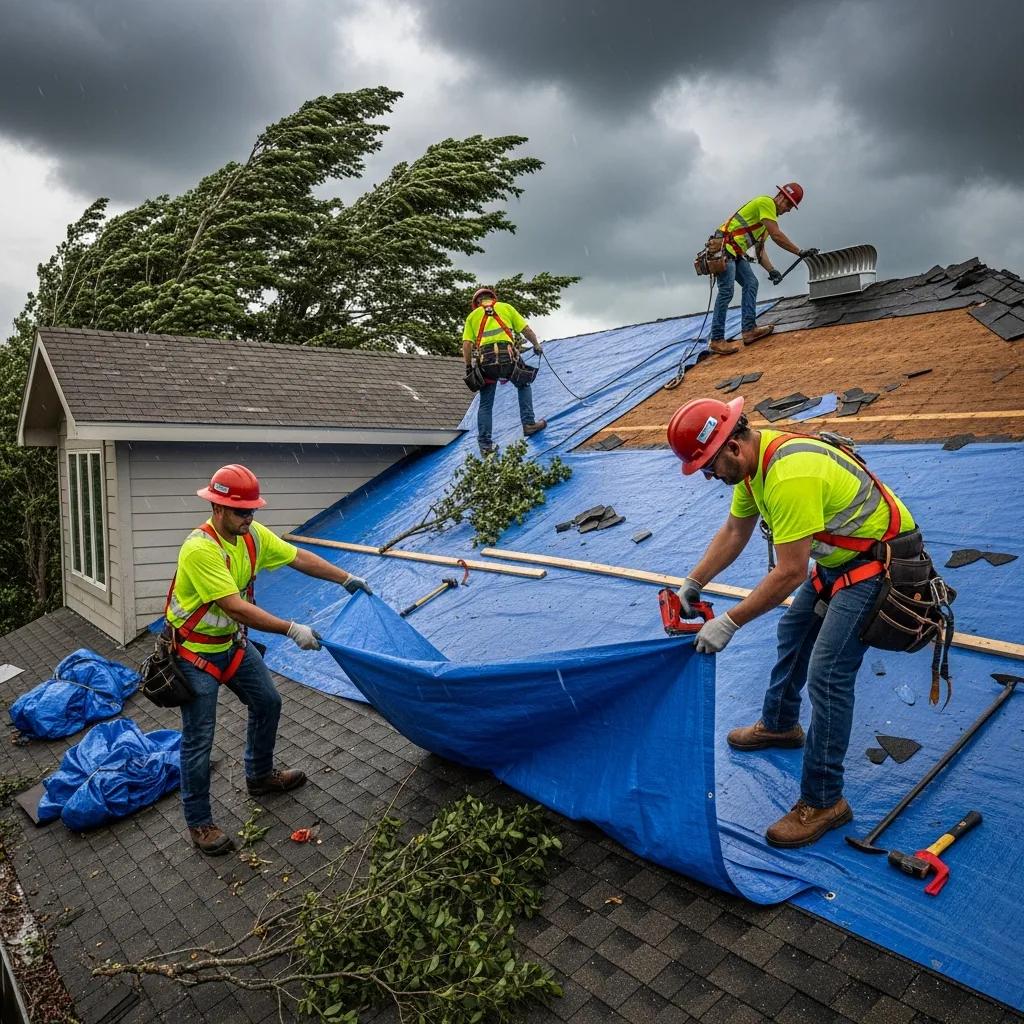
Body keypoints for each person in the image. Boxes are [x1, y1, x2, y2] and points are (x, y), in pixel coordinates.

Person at [667, 397, 923, 848]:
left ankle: (825, 801)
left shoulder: (789, 476)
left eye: (709, 466)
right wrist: (694, 580)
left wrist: (729, 621)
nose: (710, 477)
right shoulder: (753, 465)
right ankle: (782, 724)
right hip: (840, 562)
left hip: (876, 568)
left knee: (828, 675)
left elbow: (788, 572)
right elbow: (734, 531)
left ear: (732, 447)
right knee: (794, 629)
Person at [167, 464, 373, 855]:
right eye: (242, 512)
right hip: (195, 654)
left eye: (253, 511)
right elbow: (235, 608)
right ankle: (199, 823)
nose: (250, 518)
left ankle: (259, 776)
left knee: (268, 702)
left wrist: (344, 578)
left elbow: (298, 557)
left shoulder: (250, 536)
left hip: (231, 645)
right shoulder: (200, 549)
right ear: (218, 508)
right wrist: (292, 629)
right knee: (199, 739)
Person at [707, 183, 818, 357]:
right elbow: (777, 236)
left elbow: (759, 251)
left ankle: (749, 330)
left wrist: (771, 270)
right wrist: (799, 251)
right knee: (727, 291)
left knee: (751, 283)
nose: (788, 210)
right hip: (723, 250)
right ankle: (716, 339)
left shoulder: (767, 219)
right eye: (788, 204)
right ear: (780, 197)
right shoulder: (766, 203)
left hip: (734, 253)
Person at [462, 287, 547, 455]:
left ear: (477, 302)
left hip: (486, 362)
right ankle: (529, 424)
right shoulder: (505, 308)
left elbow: (467, 344)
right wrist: (536, 345)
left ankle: (485, 446)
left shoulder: (473, 316)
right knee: (523, 384)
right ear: (493, 298)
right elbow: (526, 330)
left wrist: (468, 367)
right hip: (508, 357)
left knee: (486, 403)